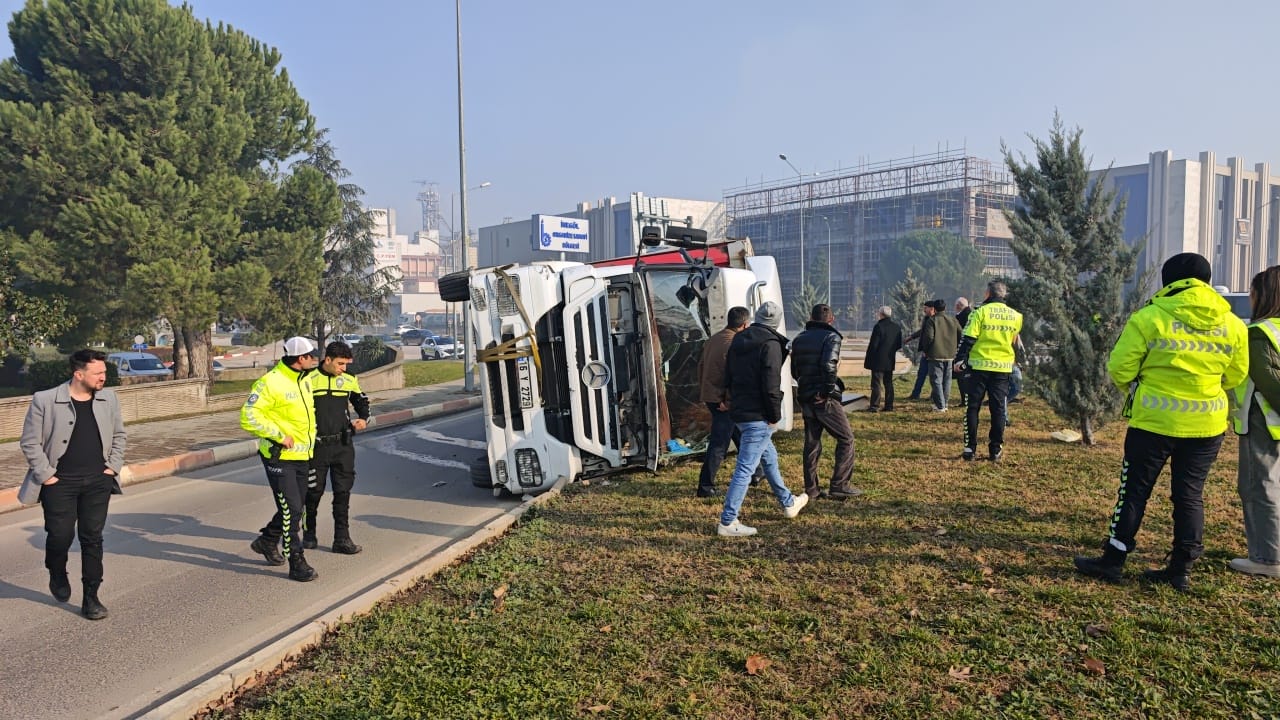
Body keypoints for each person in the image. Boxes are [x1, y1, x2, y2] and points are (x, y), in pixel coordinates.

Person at [1074, 253, 1248, 591]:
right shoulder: (1233, 324)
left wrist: (1140, 387)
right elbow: (1237, 374)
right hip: (1207, 425)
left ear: (1168, 281)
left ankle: (1114, 560)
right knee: (1190, 495)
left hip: (1153, 422)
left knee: (1134, 491)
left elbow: (1120, 368)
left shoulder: (1149, 318)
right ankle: (1180, 569)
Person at [18, 349, 127, 620]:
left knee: (92, 538)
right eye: (98, 373)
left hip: (98, 481)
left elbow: (120, 435)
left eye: (104, 372)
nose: (104, 377)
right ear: (79, 374)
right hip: (59, 483)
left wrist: (111, 468)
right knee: (60, 536)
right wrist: (47, 476)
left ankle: (91, 598)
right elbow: (29, 442)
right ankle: (56, 571)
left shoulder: (108, 398)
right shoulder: (45, 400)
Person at [717, 301, 808, 536]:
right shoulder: (771, 344)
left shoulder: (739, 338)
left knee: (769, 459)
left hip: (740, 410)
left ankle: (788, 503)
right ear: (776, 322)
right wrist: (774, 415)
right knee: (745, 469)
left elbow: (728, 372)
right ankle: (728, 521)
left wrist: (727, 397)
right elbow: (771, 383)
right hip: (759, 414)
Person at [242, 336, 322, 582]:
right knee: (292, 510)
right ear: (301, 359)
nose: (315, 359)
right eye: (312, 356)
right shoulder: (270, 383)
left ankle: (267, 541)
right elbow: (248, 416)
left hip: (303, 455)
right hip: (279, 457)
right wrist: (278, 435)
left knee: (294, 507)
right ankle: (296, 562)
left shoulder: (305, 380)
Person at [1230, 266, 1280, 578]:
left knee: (1259, 486)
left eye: (1253, 291)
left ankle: (1267, 557)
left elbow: (1269, 382)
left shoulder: (1259, 334)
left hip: (1265, 423)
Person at [303, 341, 370, 554]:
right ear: (328, 360)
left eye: (347, 364)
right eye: (341, 364)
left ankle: (342, 538)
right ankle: (309, 532)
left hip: (343, 445)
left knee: (343, 493)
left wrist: (363, 418)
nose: (344, 368)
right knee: (314, 492)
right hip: (317, 447)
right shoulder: (308, 379)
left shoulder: (349, 380)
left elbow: (361, 401)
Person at [792, 304, 861, 500]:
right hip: (824, 398)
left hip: (805, 395)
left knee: (812, 443)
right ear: (831, 319)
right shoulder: (832, 337)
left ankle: (811, 489)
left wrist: (807, 387)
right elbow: (828, 365)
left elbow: (794, 370)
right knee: (846, 439)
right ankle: (840, 484)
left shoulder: (799, 339)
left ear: (811, 317)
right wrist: (827, 391)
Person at [953, 281, 1023, 462]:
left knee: (972, 407)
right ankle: (995, 449)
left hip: (978, 367)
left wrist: (960, 360)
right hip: (1002, 368)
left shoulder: (979, 312)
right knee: (998, 409)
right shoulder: (1015, 316)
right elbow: (1014, 341)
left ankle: (970, 448)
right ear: (1004, 295)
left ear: (987, 294)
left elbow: (968, 338)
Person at [696, 306, 752, 498]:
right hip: (723, 400)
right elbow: (733, 375)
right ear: (744, 325)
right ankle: (706, 486)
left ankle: (757, 472)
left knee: (741, 434)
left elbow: (701, 366)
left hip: (711, 395)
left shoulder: (715, 338)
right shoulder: (734, 343)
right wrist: (726, 400)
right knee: (719, 444)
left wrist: (707, 392)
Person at [920, 299, 961, 412]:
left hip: (935, 354)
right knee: (947, 380)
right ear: (945, 308)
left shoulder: (932, 321)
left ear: (934, 308)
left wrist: (926, 350)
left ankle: (940, 405)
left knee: (936, 380)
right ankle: (944, 403)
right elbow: (961, 334)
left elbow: (929, 337)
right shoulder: (953, 320)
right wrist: (955, 346)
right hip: (950, 354)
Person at [863, 306, 902, 413]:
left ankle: (874, 406)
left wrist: (869, 359)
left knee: (876, 384)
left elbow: (873, 345)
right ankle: (889, 406)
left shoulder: (878, 327)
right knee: (888, 383)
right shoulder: (896, 327)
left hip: (878, 359)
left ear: (881, 314)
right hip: (890, 359)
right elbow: (899, 344)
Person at [955, 298, 973, 407]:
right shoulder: (970, 314)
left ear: (958, 305)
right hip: (970, 350)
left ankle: (964, 399)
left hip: (964, 350)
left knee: (962, 376)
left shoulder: (962, 317)